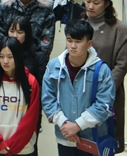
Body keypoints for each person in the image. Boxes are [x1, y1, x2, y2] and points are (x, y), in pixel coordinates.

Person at [42, 19, 116, 155]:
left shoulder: (102, 70)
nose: (72, 46)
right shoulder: (53, 66)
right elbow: (47, 99)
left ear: (89, 44)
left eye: (78, 41)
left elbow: (104, 104)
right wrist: (64, 124)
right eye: (69, 40)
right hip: (65, 137)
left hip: (92, 139)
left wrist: (77, 125)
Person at [83, 0, 127, 150]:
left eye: (96, 3)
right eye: (88, 1)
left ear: (107, 4)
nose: (90, 6)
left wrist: (104, 89)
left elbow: (121, 65)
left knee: (105, 142)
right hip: (81, 92)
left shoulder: (119, 29)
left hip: (108, 93)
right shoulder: (80, 24)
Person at [0, 37, 41, 156]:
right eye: (1, 56)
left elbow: (31, 118)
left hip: (23, 147)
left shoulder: (31, 82)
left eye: (10, 57)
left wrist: (14, 145)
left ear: (18, 57)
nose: (5, 61)